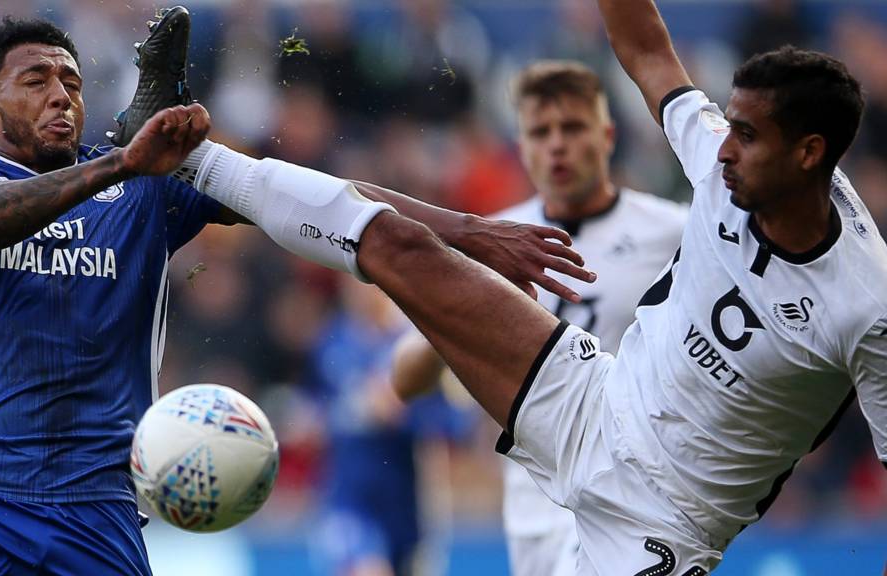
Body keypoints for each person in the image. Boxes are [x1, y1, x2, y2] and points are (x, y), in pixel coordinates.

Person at [169, 2, 887, 574]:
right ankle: (192, 160)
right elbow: (646, 48)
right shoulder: (719, 163)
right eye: (727, 127)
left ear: (809, 153)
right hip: (591, 400)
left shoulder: (869, 305)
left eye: (748, 136)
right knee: (403, 244)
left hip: (663, 521)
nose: (722, 147)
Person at [0, 12, 590, 576]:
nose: (62, 95)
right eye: (36, 81)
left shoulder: (141, 190)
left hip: (92, 509)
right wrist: (125, 160)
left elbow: (312, 196)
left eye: (73, 81)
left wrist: (468, 230)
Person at [391, 61, 687, 576]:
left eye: (572, 128)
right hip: (535, 506)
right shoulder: (493, 242)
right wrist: (459, 305)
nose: (557, 145)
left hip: (638, 495)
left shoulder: (675, 234)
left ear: (608, 135)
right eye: (540, 132)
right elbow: (403, 381)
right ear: (522, 145)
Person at [306, 280, 474, 576]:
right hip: (350, 500)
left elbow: (456, 424)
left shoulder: (417, 349)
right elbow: (316, 410)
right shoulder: (331, 342)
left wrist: (405, 414)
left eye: (368, 283)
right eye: (352, 283)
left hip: (409, 506)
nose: (359, 291)